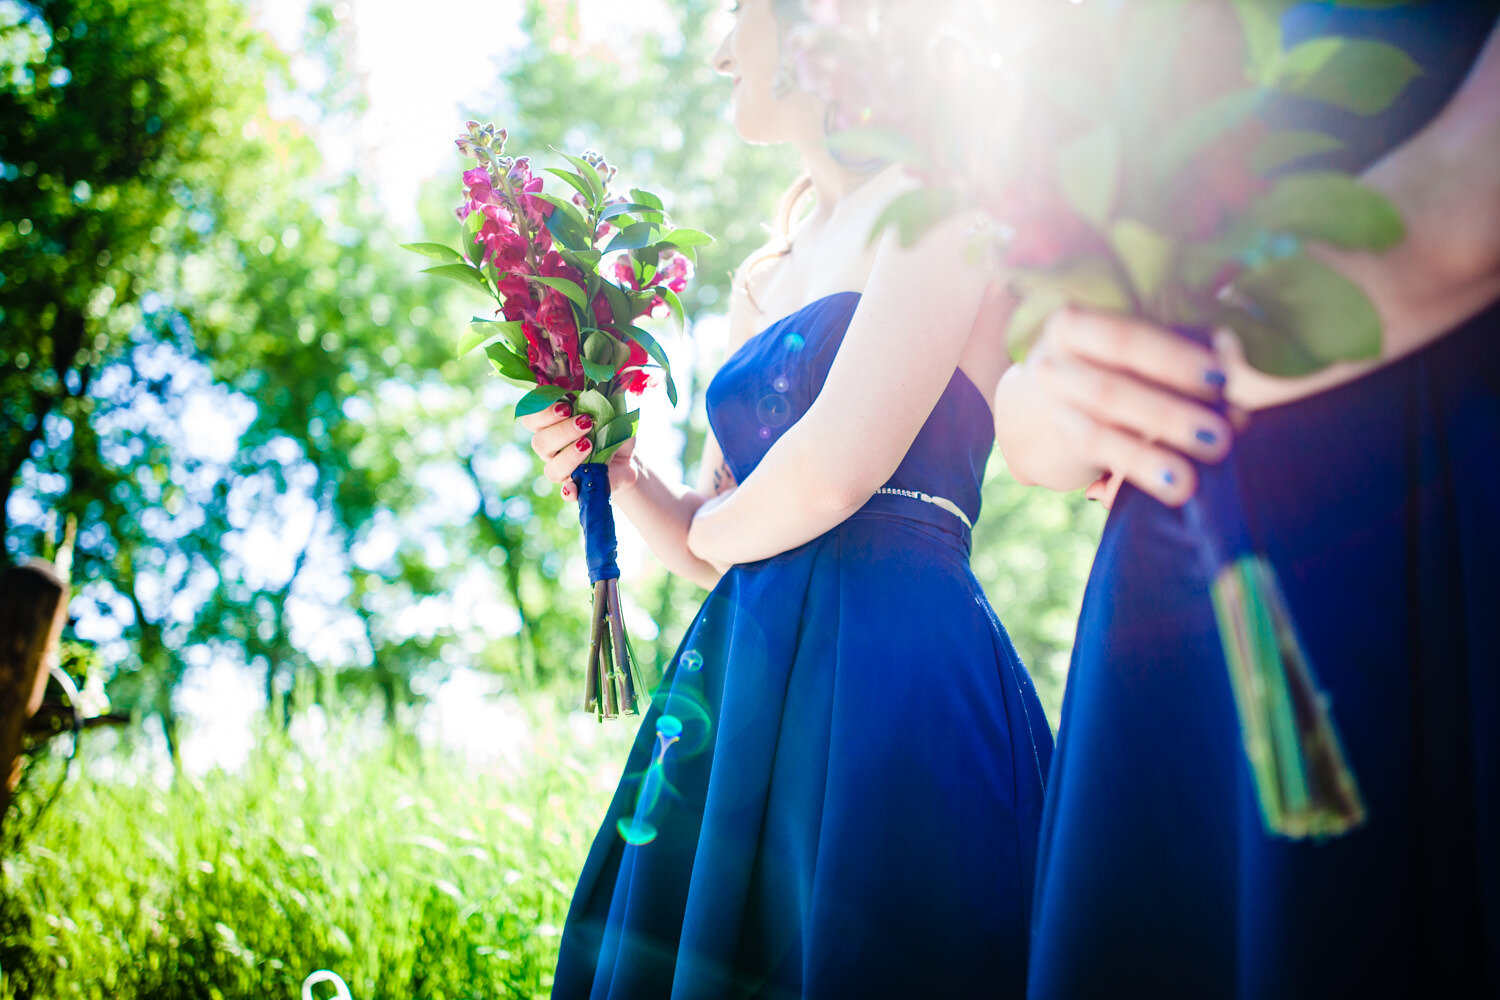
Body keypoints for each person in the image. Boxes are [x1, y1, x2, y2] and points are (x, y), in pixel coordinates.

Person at [523, 1, 1051, 997]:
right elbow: (710, 542)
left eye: (735, 10)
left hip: (898, 664)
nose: (719, 45)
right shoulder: (762, 279)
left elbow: (837, 469)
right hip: (742, 681)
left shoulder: (944, 205)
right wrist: (618, 469)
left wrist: (721, 529)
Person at [994, 4, 1500, 996]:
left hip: (1435, 489)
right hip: (1166, 586)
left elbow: (1463, 212)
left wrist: (1209, 347)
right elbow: (1030, 411)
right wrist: (1064, 387)